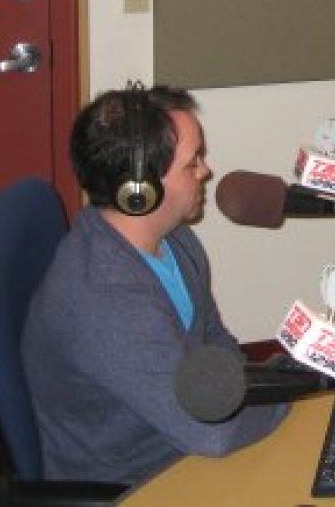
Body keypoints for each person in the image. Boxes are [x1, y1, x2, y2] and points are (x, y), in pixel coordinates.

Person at [21, 83, 288, 485]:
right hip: (132, 477)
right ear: (139, 192)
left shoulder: (174, 239)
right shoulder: (107, 300)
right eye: (192, 163)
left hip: (177, 434)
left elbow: (213, 339)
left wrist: (269, 382)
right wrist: (295, 392)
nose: (206, 171)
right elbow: (213, 435)